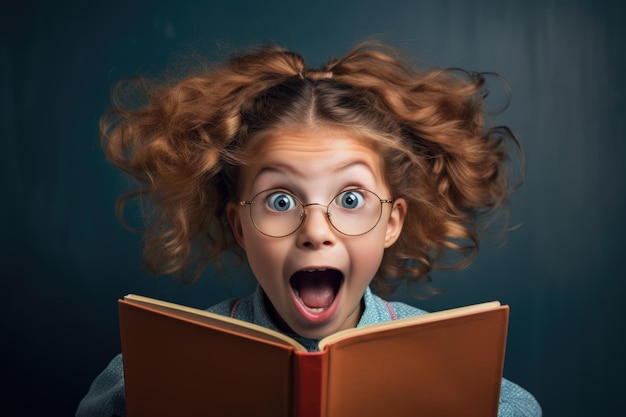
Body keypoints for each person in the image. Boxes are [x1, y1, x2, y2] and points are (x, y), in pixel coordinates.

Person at [76, 41, 541, 416]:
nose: (315, 231)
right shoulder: (146, 374)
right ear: (239, 226)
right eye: (280, 201)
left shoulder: (461, 374)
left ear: (391, 223)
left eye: (351, 199)